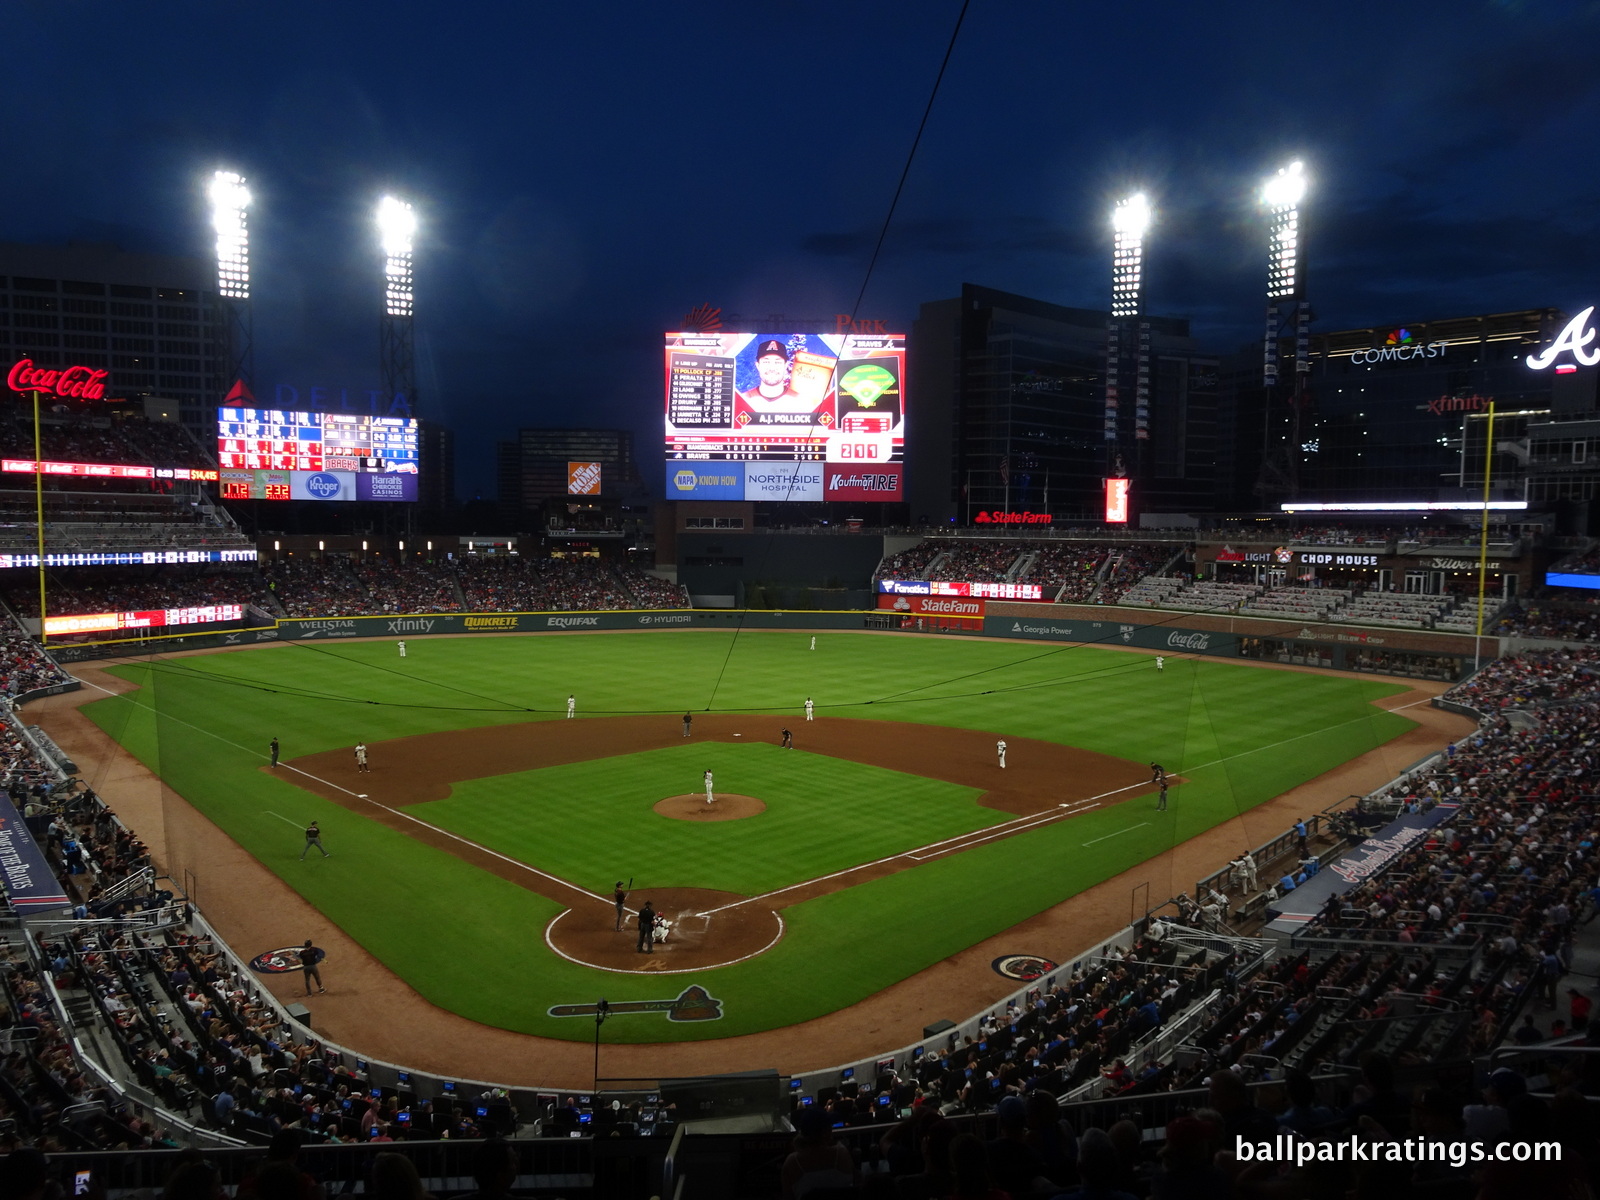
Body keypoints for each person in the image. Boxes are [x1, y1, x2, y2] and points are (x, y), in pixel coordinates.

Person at [741, 339, 814, 412]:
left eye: (777, 362)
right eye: (766, 362)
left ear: (785, 365)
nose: (772, 368)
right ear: (758, 365)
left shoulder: (802, 403)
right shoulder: (744, 400)